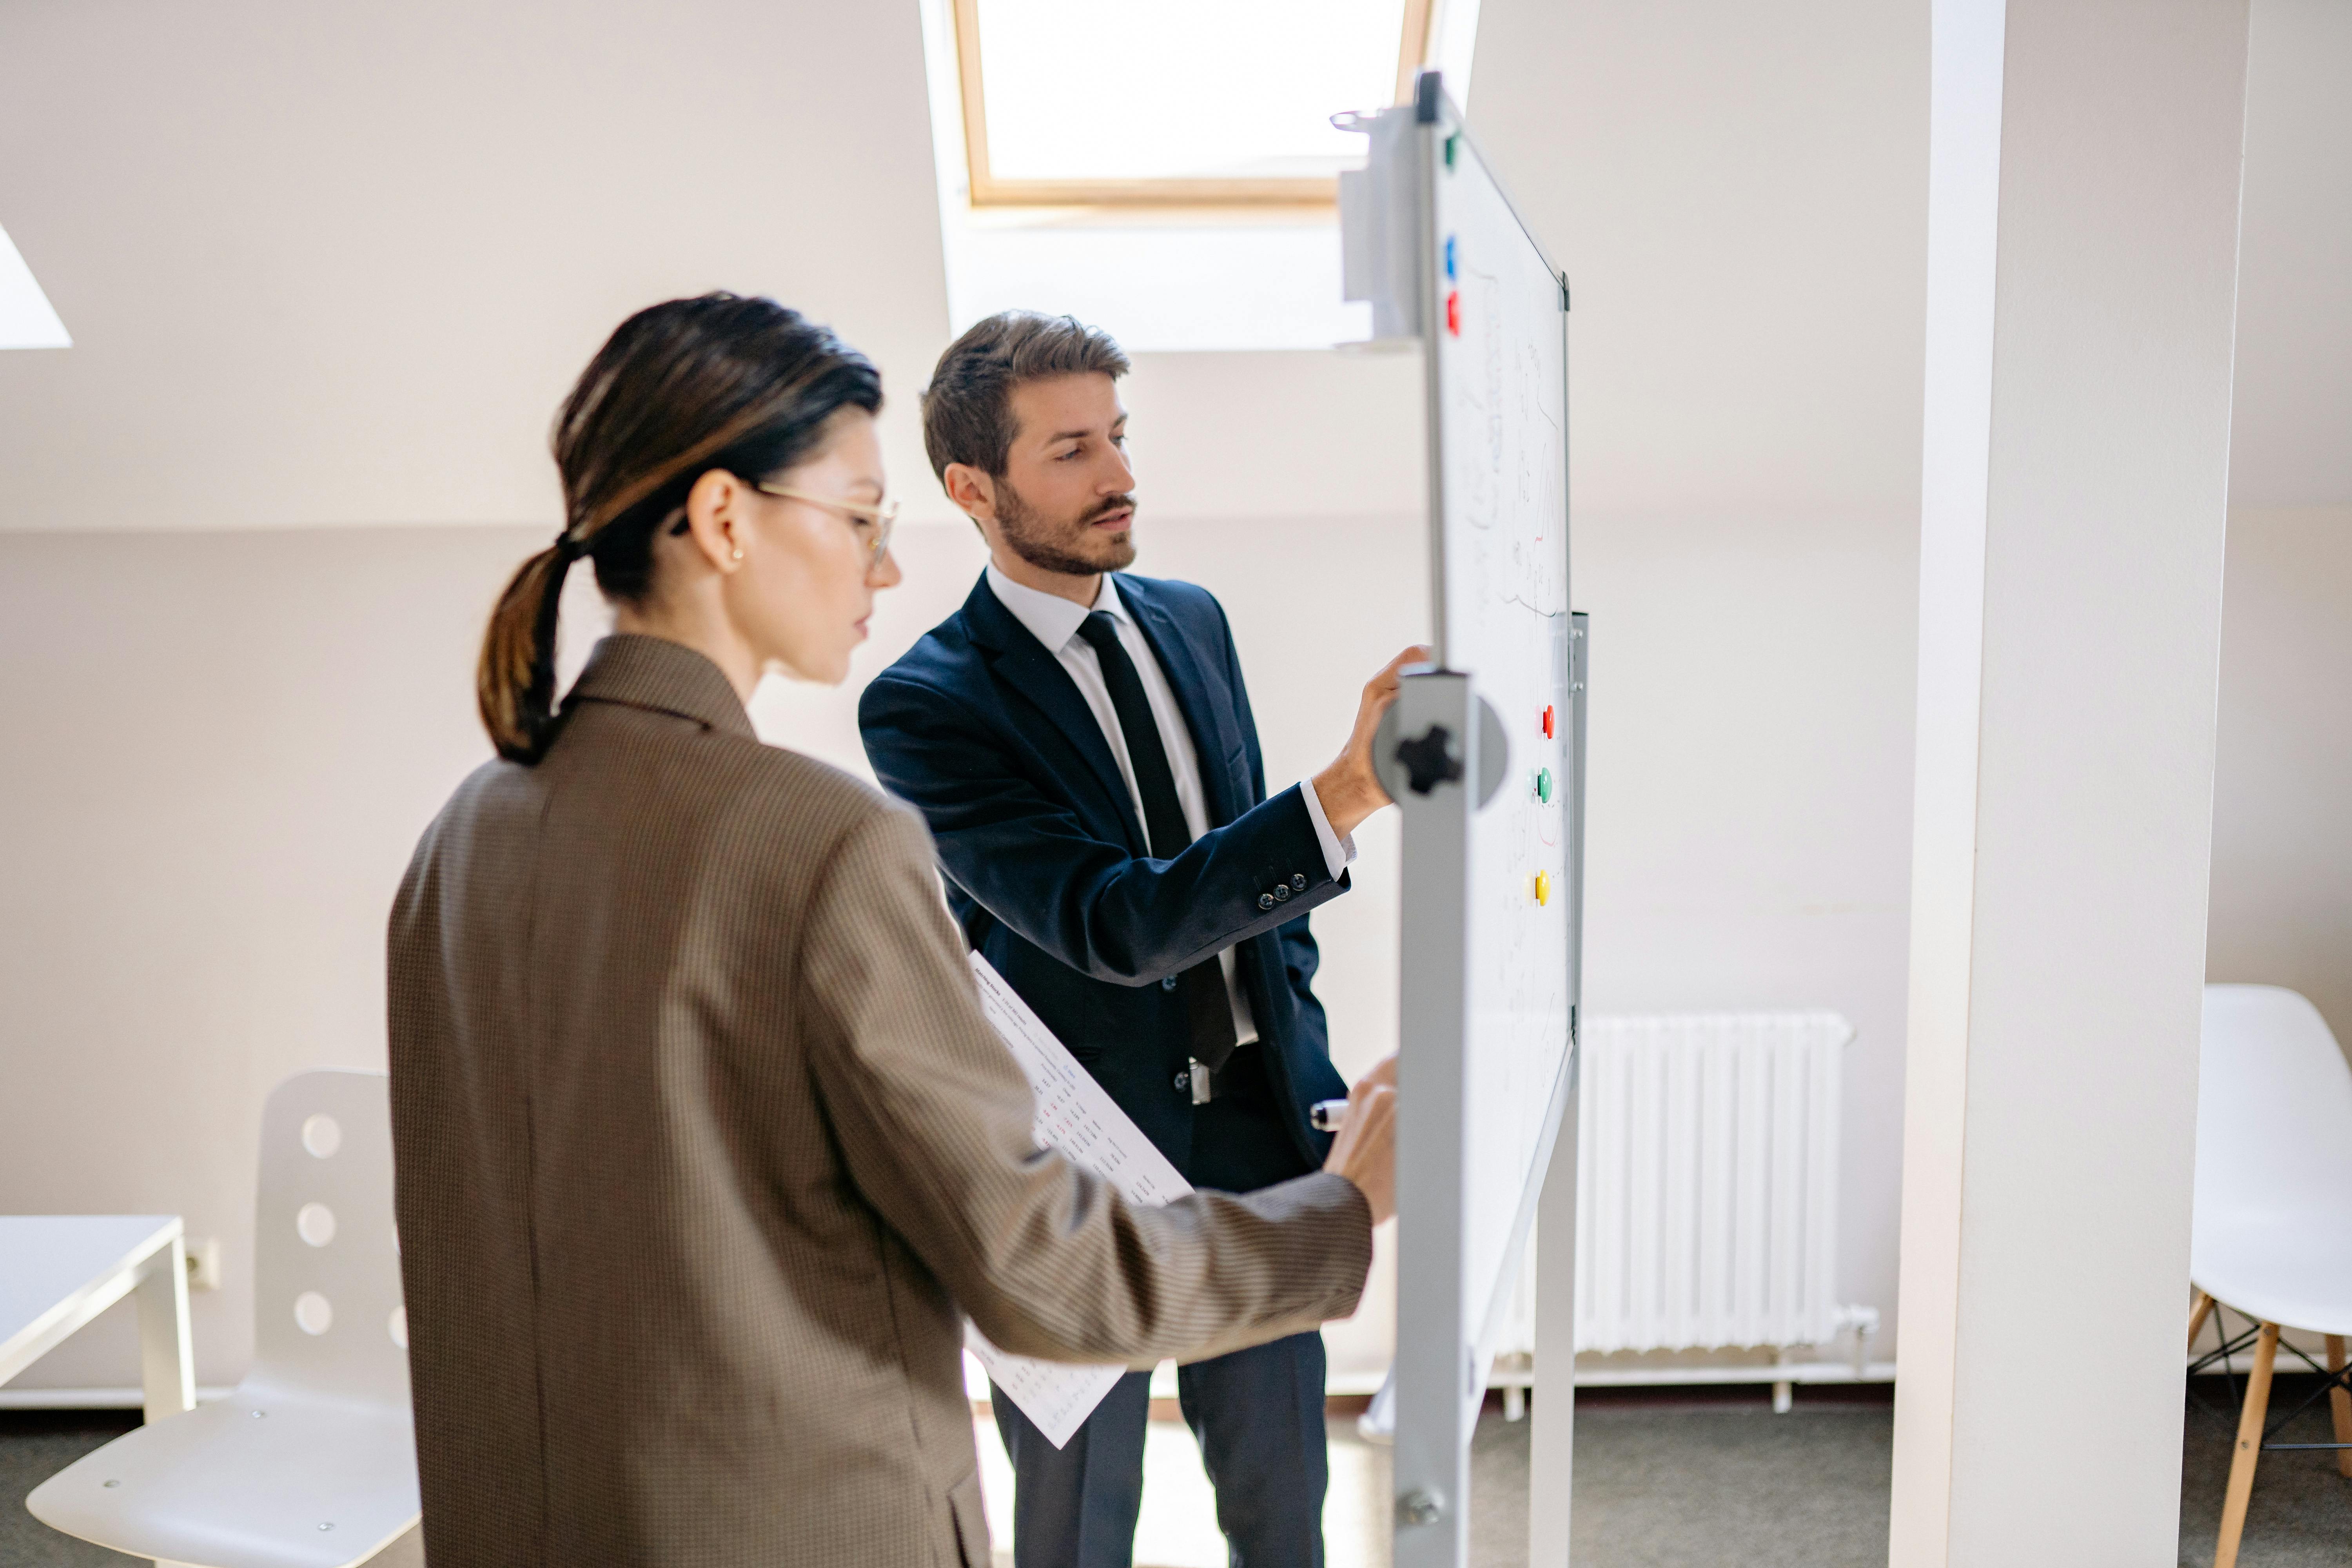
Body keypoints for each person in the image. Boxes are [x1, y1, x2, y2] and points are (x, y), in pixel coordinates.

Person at [385, 293, 1398, 1568]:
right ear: (723, 522)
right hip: (805, 1513)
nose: (882, 566)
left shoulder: (461, 839)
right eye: (862, 519)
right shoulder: (820, 838)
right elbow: (1042, 1275)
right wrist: (1345, 1215)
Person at [858, 311, 1425, 1568]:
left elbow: (1254, 890)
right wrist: (1345, 790)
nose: (1120, 477)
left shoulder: (1192, 620)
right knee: (1075, 1526)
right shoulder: (923, 707)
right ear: (972, 487)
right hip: (1077, 1165)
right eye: (1070, 451)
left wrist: (1307, 1083)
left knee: (1289, 1511)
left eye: (1117, 438)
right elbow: (1116, 922)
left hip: (1260, 1131)